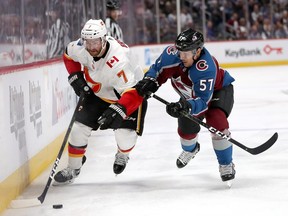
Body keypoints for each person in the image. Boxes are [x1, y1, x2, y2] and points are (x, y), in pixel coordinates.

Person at [135, 28, 236, 182]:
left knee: (217, 122)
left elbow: (203, 101)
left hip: (218, 92)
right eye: (180, 51)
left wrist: (186, 106)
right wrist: (149, 81)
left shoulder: (205, 67)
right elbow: (157, 70)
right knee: (186, 131)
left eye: (186, 53)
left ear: (197, 52)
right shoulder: (172, 54)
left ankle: (226, 164)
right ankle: (191, 149)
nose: (181, 56)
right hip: (190, 97)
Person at [53, 19, 147, 185]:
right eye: (88, 42)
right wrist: (75, 76)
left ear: (104, 39)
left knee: (124, 136)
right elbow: (68, 54)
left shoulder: (119, 60)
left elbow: (134, 93)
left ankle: (122, 154)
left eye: (95, 42)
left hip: (129, 97)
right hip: (99, 95)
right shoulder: (83, 48)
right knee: (77, 129)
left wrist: (118, 109)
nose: (91, 47)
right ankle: (73, 168)